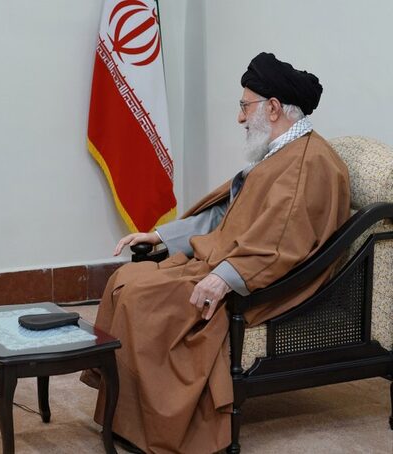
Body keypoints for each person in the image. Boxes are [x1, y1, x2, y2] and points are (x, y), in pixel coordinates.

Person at [81, 52, 351, 453]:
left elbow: (281, 248)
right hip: (228, 260)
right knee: (125, 280)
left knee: (144, 298)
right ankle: (127, 416)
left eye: (245, 106)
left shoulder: (309, 164)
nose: (241, 118)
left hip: (261, 284)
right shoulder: (282, 152)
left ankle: (158, 430)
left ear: (274, 108)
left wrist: (223, 278)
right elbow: (228, 213)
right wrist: (159, 236)